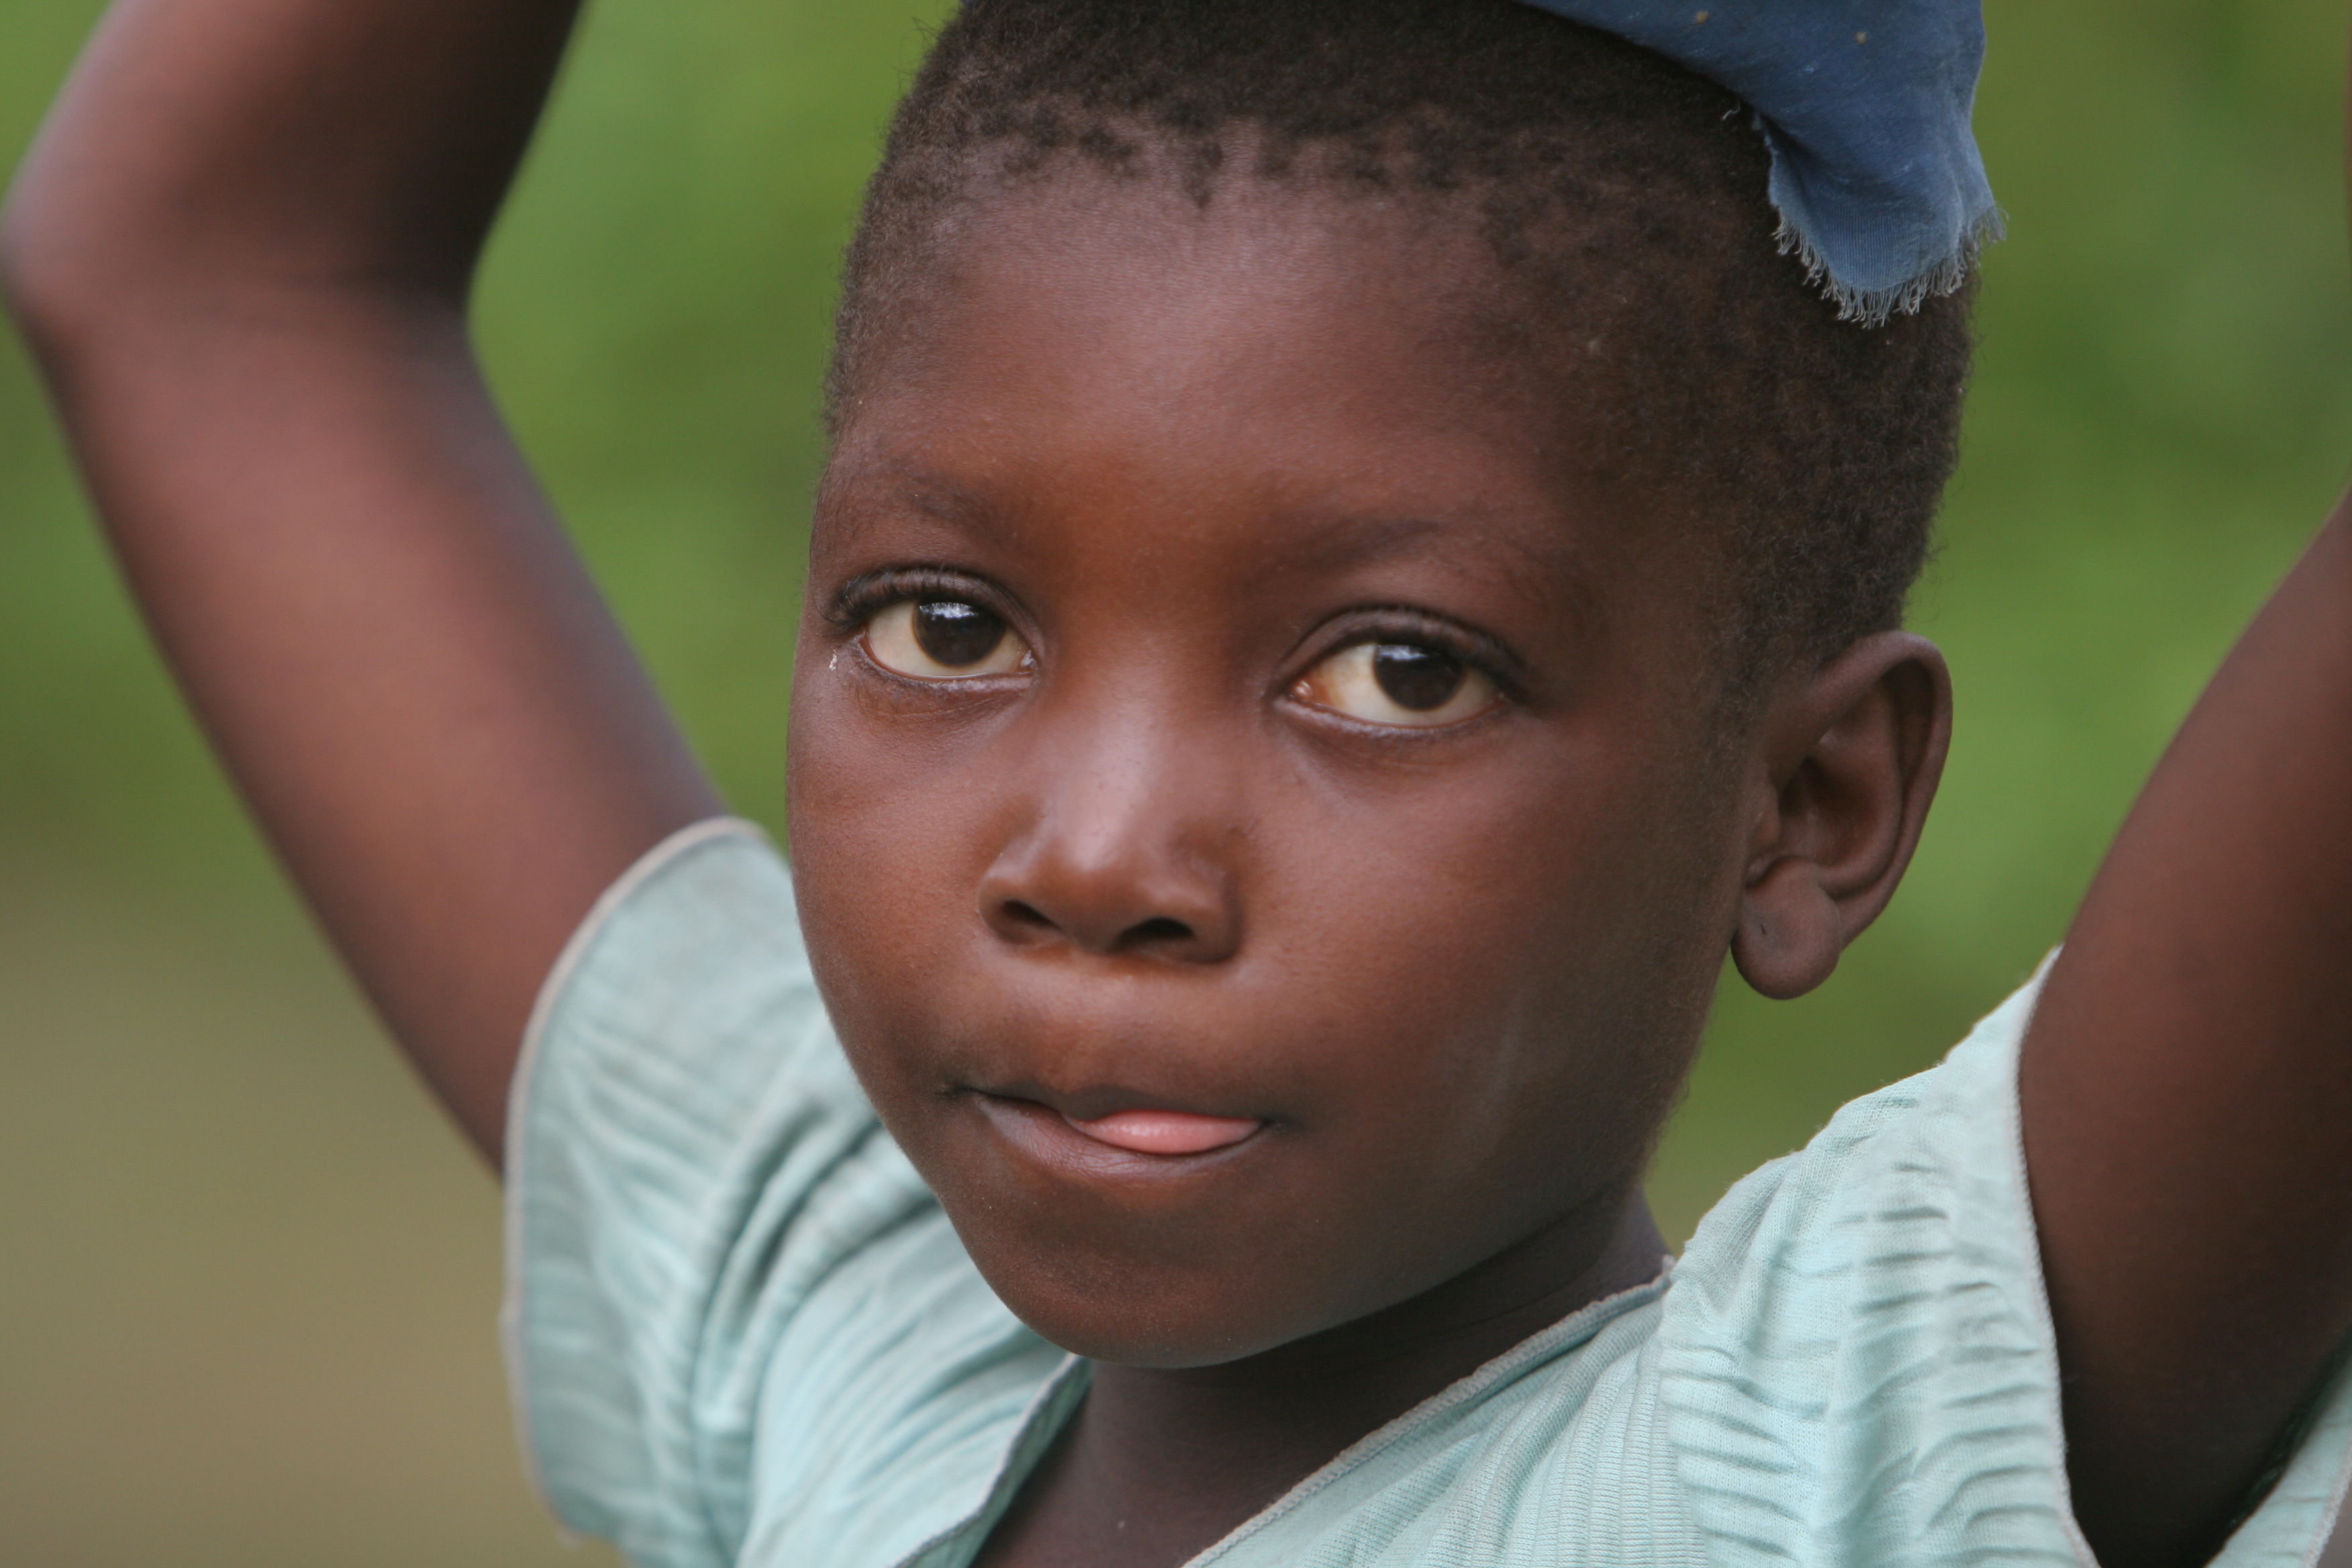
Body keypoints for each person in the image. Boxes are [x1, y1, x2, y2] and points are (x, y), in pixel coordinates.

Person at [4, 0, 2349, 1564]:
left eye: (1397, 673)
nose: (1100, 859)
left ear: (1815, 806)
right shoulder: (841, 1360)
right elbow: (206, 269)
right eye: (949, 628)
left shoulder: (1814, 1475)